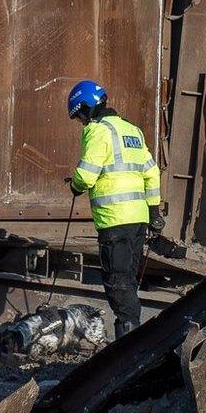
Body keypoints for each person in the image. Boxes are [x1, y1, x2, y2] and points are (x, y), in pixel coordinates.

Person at [66, 80, 163, 339]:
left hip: (114, 220)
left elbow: (86, 176)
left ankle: (128, 346)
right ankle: (131, 339)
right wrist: (153, 211)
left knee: (117, 284)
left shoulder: (97, 131)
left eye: (79, 116)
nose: (81, 122)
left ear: (85, 108)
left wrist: (75, 185)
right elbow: (151, 172)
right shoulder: (132, 131)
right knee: (128, 280)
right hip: (138, 219)